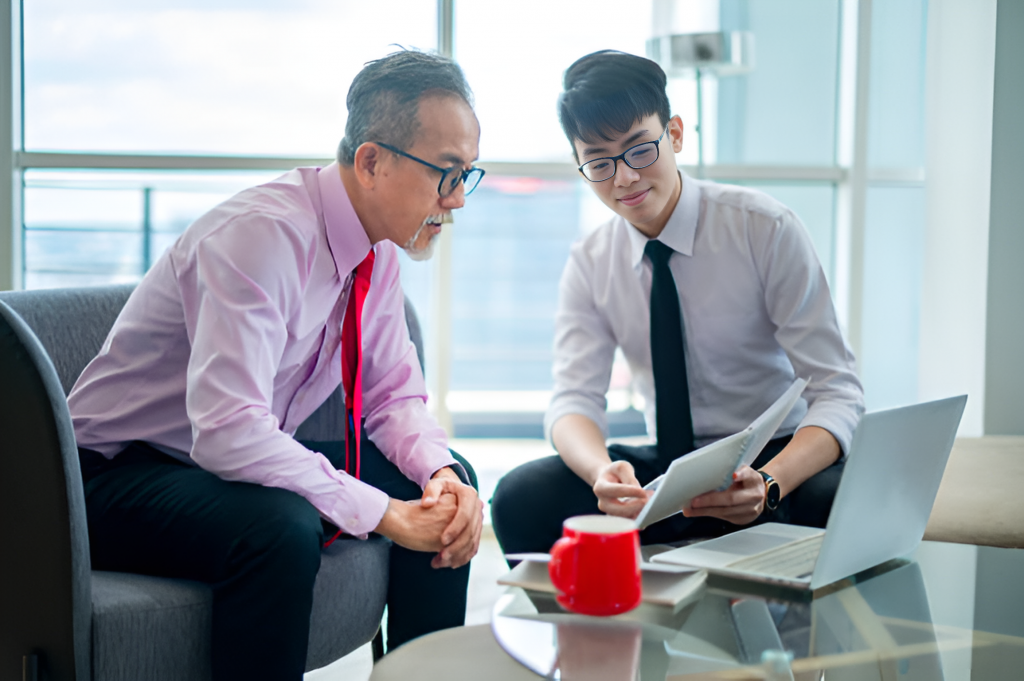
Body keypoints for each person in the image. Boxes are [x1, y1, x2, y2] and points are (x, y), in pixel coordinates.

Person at [68, 50, 485, 681]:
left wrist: (441, 474)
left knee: (444, 487)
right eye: (445, 175)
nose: (455, 201)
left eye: (466, 175)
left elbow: (394, 398)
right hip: (105, 479)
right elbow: (230, 431)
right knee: (279, 527)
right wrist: (383, 514)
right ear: (372, 162)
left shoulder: (380, 249)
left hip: (209, 466)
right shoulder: (260, 237)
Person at [491, 50, 864, 556]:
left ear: (675, 135)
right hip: (670, 467)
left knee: (837, 494)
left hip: (769, 458)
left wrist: (771, 481)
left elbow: (838, 391)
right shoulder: (591, 261)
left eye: (639, 149)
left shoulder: (763, 228)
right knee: (520, 497)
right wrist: (602, 472)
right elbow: (574, 401)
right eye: (599, 162)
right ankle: (589, 633)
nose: (623, 178)